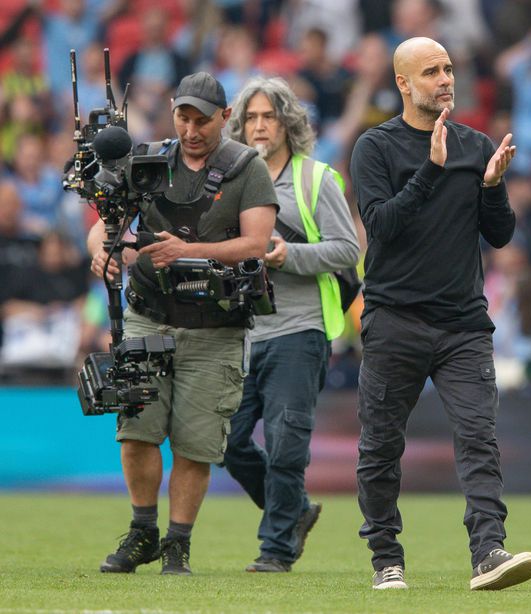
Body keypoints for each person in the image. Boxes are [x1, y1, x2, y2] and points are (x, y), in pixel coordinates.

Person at [349, 36, 531, 592]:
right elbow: (382, 229)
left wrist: (493, 186)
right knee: (381, 446)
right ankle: (386, 555)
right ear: (404, 84)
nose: (446, 79)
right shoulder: (375, 147)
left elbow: (499, 236)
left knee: (479, 437)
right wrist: (431, 171)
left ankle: (488, 551)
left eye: (449, 69)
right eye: (432, 71)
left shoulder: (475, 144)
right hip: (394, 320)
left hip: (463, 324)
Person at [87, 72, 278, 575]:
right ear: (173, 111)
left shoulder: (247, 168)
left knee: (195, 442)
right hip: (148, 313)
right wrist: (101, 254)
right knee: (136, 430)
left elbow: (257, 243)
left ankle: (178, 543)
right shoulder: (145, 160)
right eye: (183, 118)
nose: (192, 130)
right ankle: (143, 531)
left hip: (216, 327)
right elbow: (106, 224)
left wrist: (187, 250)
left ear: (225, 118)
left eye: (202, 120)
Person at [222, 76, 360, 572]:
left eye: (269, 116)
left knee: (285, 445)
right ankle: (295, 511)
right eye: (251, 118)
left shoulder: (316, 178)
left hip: (299, 332)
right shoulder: (230, 180)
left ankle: (275, 550)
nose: (260, 126)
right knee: (225, 441)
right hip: (238, 334)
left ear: (288, 122)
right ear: (239, 125)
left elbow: (349, 251)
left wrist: (289, 255)